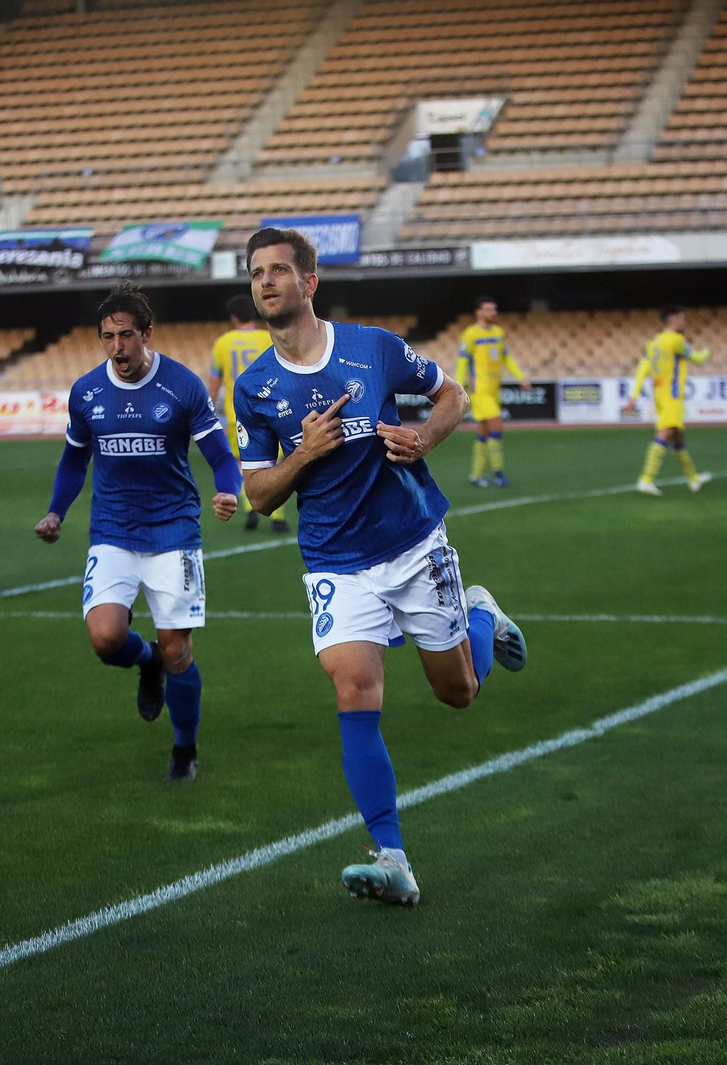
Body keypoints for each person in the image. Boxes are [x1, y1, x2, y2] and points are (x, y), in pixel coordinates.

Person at [233, 228, 528, 907]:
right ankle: (391, 855)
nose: (266, 281)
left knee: (458, 691)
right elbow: (259, 492)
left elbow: (452, 393)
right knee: (353, 691)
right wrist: (303, 454)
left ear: (310, 283)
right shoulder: (254, 387)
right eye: (256, 272)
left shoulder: (374, 347)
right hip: (335, 560)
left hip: (413, 542)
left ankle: (479, 609)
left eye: (279, 270)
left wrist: (424, 434)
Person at [34, 283, 243, 782]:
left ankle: (184, 750)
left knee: (179, 649)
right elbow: (73, 460)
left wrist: (228, 489)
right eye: (107, 337)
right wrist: (56, 512)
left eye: (126, 335)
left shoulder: (183, 386)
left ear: (147, 334)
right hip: (112, 530)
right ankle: (144, 660)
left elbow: (219, 453)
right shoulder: (86, 392)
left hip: (174, 530)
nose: (117, 346)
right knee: (106, 639)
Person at [209, 294, 288, 531]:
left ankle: (250, 508)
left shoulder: (223, 342)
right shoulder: (268, 338)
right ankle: (278, 517)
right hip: (271, 409)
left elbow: (215, 380)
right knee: (276, 462)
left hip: (237, 413)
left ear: (233, 317)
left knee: (243, 462)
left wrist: (209, 408)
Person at [623, 306, 712, 496]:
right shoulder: (677, 341)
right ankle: (646, 480)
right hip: (672, 396)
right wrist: (707, 352)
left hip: (659, 396)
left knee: (679, 438)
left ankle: (693, 480)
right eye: (681, 318)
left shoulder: (653, 343)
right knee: (664, 434)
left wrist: (634, 396)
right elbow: (697, 359)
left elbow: (642, 370)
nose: (684, 321)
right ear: (672, 319)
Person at [456, 296, 530, 487]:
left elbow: (507, 358)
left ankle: (476, 475)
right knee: (496, 427)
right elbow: (463, 361)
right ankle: (498, 472)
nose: (493, 313)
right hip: (480, 391)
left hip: (495, 391)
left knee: (484, 432)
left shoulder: (498, 332)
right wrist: (458, 384)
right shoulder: (470, 334)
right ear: (478, 312)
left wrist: (520, 376)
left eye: (494, 309)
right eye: (488, 309)